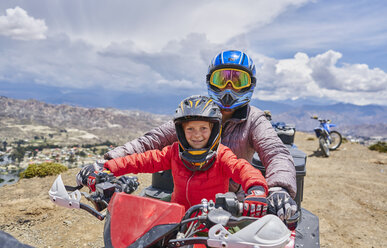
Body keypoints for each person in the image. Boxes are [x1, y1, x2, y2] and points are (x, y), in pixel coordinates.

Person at [103, 50, 297, 220]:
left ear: (250, 85)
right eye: (221, 80)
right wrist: (108, 162)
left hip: (235, 204)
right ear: (210, 81)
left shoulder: (253, 119)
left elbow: (275, 152)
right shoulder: (197, 113)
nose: (228, 87)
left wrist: (279, 188)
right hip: (189, 199)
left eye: (238, 81)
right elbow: (152, 141)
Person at [78, 95, 268, 216]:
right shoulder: (174, 153)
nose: (197, 135)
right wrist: (106, 167)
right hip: (175, 220)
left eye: (203, 128)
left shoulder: (222, 155)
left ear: (214, 130)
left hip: (212, 223)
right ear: (181, 131)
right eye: (190, 129)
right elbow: (142, 160)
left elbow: (243, 169)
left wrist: (257, 188)